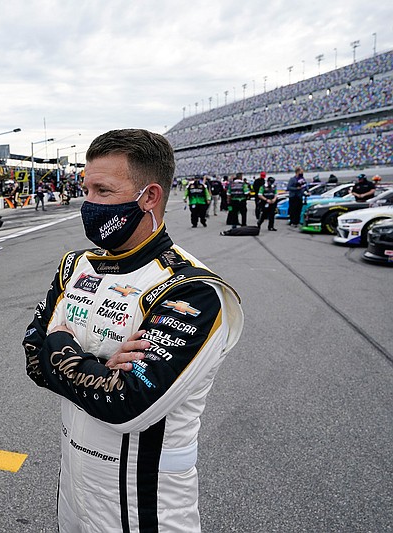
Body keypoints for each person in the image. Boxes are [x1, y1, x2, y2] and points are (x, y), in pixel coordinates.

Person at [22, 129, 243, 533]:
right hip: (72, 486)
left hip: (144, 500)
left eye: (103, 192)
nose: (88, 204)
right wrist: (99, 367)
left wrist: (60, 341)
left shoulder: (193, 290)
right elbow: (33, 360)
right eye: (86, 189)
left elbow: (127, 402)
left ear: (150, 197)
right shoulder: (75, 266)